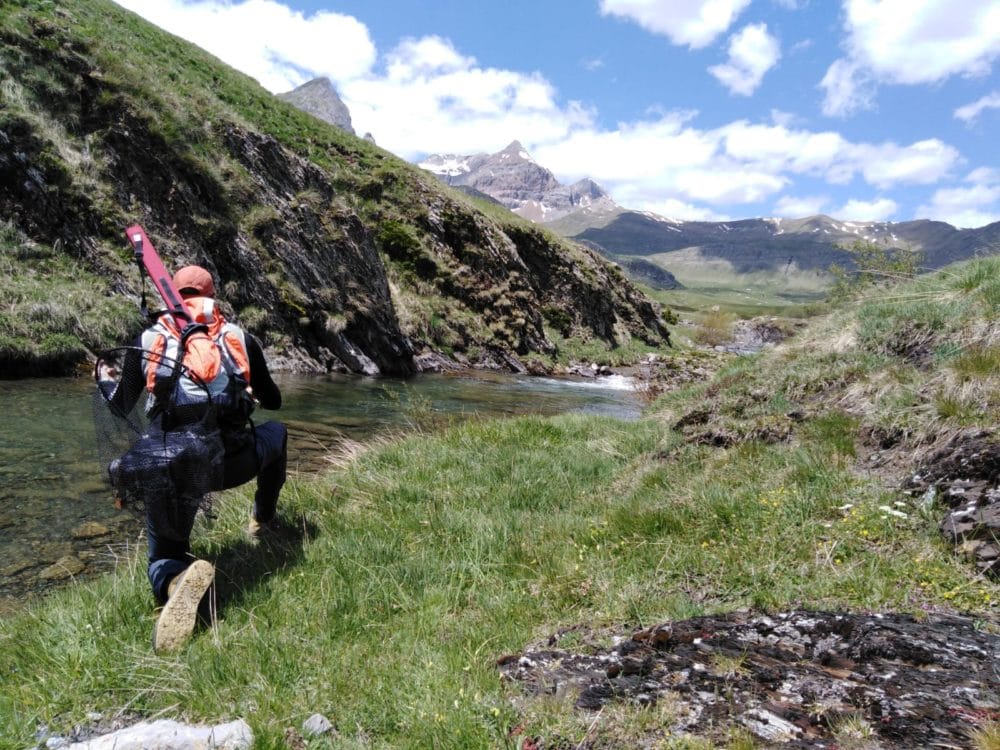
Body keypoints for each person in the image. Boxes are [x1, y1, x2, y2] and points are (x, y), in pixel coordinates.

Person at [101, 265, 287, 653]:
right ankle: (262, 520)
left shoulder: (149, 338)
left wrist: (106, 379)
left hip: (173, 466)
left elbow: (120, 407)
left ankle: (174, 579)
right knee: (277, 433)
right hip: (231, 463)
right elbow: (274, 401)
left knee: (164, 553)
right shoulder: (238, 336)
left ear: (172, 295)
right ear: (211, 295)